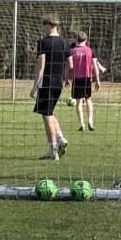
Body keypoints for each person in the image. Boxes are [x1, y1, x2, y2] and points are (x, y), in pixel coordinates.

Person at [29, 16, 71, 161]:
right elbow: (70, 63)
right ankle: (61, 138)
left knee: (46, 115)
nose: (42, 28)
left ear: (48, 25)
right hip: (58, 82)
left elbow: (41, 66)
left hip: (46, 82)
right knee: (50, 112)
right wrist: (65, 78)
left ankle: (53, 150)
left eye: (43, 25)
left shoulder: (44, 42)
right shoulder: (64, 43)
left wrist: (34, 87)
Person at [69, 32, 101, 131]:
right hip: (87, 78)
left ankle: (81, 123)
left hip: (76, 78)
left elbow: (69, 66)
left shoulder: (73, 51)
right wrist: (97, 80)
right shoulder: (90, 50)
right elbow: (95, 66)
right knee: (88, 99)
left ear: (76, 40)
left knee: (78, 102)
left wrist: (67, 78)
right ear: (86, 40)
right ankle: (90, 121)